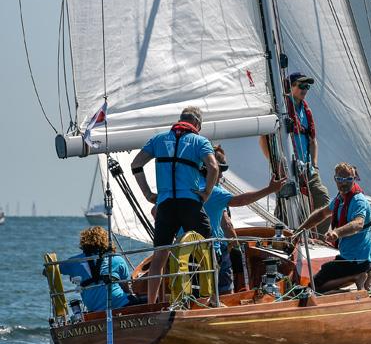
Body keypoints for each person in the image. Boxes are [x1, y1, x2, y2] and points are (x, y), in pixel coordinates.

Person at [131, 106, 218, 304]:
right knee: (206, 250)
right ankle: (213, 300)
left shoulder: (158, 139)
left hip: (165, 204)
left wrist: (147, 193)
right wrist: (206, 193)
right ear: (197, 125)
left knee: (159, 256)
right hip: (190, 203)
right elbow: (213, 167)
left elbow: (136, 164)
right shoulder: (200, 141)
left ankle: (152, 304)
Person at [202, 145, 286, 294]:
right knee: (224, 292)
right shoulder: (215, 193)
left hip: (190, 250)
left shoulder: (188, 188)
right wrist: (269, 190)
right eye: (221, 170)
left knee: (201, 291)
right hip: (215, 250)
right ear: (211, 168)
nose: (221, 176)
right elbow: (234, 212)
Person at [259, 72, 331, 232]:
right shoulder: (280, 109)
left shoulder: (306, 111)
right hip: (286, 168)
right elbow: (264, 138)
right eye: (301, 85)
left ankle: (319, 237)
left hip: (307, 168)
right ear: (290, 87)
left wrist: (315, 165)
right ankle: (284, 237)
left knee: (323, 198)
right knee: (285, 204)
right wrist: (275, 163)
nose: (305, 89)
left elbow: (313, 141)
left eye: (307, 86)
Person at [296, 162, 371, 293]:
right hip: (354, 259)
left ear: (354, 179)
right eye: (340, 179)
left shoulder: (358, 201)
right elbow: (322, 214)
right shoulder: (340, 198)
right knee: (327, 269)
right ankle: (364, 275)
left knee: (314, 287)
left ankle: (357, 276)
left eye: (349, 179)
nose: (343, 183)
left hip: (356, 262)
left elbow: (358, 223)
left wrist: (336, 233)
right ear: (335, 179)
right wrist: (300, 230)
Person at [58, 227, 141, 312]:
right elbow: (126, 287)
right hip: (119, 303)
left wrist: (73, 274)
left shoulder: (74, 262)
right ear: (106, 241)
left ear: (83, 242)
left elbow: (51, 271)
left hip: (94, 308)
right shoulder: (117, 259)